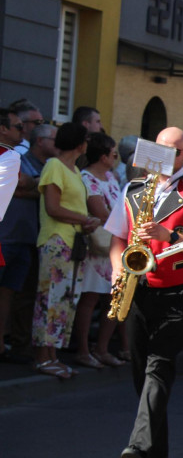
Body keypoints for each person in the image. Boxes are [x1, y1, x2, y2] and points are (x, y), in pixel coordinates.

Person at [107, 127, 183, 458]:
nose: (163, 157)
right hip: (138, 288)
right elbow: (118, 238)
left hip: (176, 291)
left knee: (159, 367)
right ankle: (157, 449)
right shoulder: (133, 189)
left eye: (172, 151)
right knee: (141, 372)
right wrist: (116, 271)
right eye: (159, 149)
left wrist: (168, 235)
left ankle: (138, 447)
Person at [32, 122, 98, 378]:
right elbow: (53, 207)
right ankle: (42, 356)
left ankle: (52, 355)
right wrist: (84, 219)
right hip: (56, 240)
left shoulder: (74, 171)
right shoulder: (54, 166)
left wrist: (86, 223)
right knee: (50, 298)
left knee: (66, 300)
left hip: (74, 242)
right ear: (80, 143)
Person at [70, 132, 123, 369]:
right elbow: (101, 212)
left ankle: (101, 349)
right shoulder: (87, 177)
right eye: (114, 154)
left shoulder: (110, 176)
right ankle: (83, 350)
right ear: (103, 156)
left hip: (113, 243)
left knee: (113, 297)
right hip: (96, 245)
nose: (116, 158)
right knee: (90, 297)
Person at [0, 119, 46, 364]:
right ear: (3, 129)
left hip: (21, 237)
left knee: (10, 293)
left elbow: (29, 185)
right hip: (4, 236)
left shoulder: (19, 156)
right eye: (19, 126)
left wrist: (33, 185)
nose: (24, 130)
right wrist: (34, 185)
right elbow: (20, 183)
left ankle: (2, 344)